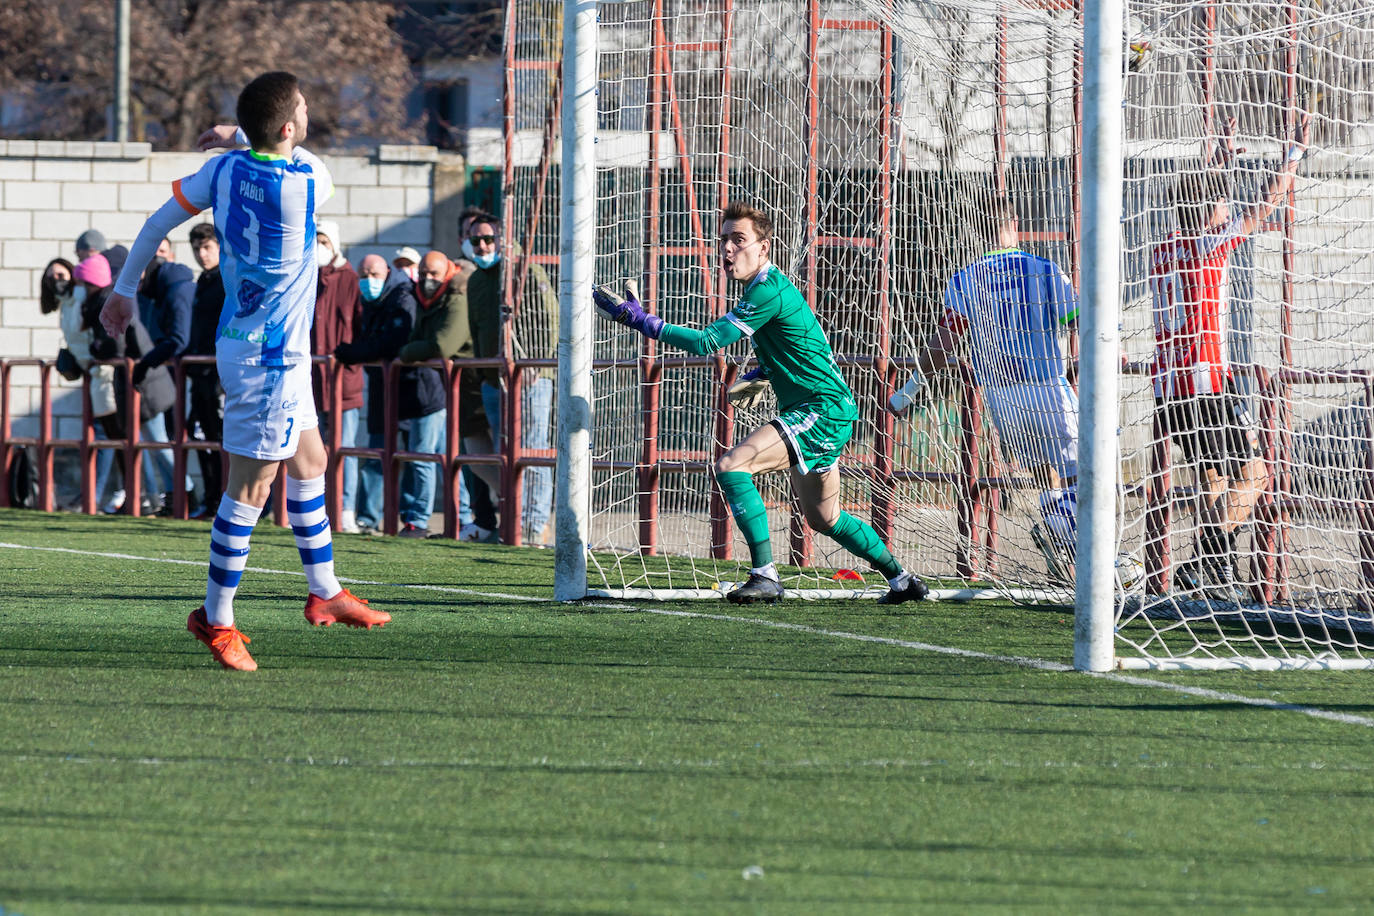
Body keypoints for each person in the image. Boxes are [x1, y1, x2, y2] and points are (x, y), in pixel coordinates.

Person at [100, 70, 389, 671]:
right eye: (303, 110)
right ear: (288, 128)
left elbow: (158, 222)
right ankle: (215, 618)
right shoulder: (307, 182)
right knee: (250, 489)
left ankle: (325, 591)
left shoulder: (223, 172)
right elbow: (299, 159)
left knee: (311, 462)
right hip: (269, 356)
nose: (308, 116)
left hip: (260, 344)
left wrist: (124, 290)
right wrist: (240, 131)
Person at [594, 201, 930, 605]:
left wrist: (643, 322)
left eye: (739, 240)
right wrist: (763, 373)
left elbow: (707, 341)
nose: (728, 249)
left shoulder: (768, 288)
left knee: (731, 466)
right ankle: (902, 580)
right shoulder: (766, 289)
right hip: (827, 409)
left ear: (763, 248)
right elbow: (800, 343)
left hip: (820, 409)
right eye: (724, 240)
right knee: (824, 518)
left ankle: (765, 575)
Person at [1151, 113, 1310, 599]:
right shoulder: (1211, 246)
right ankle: (1207, 558)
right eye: (1222, 201)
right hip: (1206, 385)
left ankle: (1211, 575)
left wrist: (1219, 158)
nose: (1228, 207)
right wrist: (1294, 154)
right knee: (1257, 470)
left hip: (1167, 390)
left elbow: (1200, 197)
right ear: (1209, 211)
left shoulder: (1163, 249)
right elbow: (1267, 205)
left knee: (1214, 478)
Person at [888, 196, 1081, 584]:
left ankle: (1058, 528)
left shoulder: (966, 277)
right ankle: (1082, 546)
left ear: (977, 232)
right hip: (1046, 387)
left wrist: (908, 389)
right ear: (1014, 225)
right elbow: (1076, 318)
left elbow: (945, 344)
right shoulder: (1042, 268)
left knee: (1044, 467)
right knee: (1090, 470)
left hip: (999, 396)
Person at [334, 254, 447, 535]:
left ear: (386, 272)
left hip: (418, 389)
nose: (367, 280)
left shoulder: (402, 297)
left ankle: (416, 520)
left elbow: (391, 341)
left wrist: (353, 352)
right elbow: (373, 339)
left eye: (373, 273)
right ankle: (369, 518)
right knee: (377, 453)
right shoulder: (375, 300)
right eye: (363, 274)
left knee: (420, 457)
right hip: (386, 387)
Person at [466, 210, 557, 545]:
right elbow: (478, 331)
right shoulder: (476, 280)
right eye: (476, 240)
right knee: (506, 453)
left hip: (530, 376)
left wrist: (537, 362)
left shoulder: (526, 270)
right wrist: (481, 373)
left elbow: (549, 317)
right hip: (493, 380)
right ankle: (514, 523)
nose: (482, 245)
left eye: (488, 239)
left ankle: (534, 527)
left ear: (502, 239)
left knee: (531, 449)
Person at [395, 250, 499, 538]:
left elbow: (442, 345)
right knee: (468, 457)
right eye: (424, 273)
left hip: (477, 386)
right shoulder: (430, 300)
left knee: (485, 456)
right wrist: (414, 348)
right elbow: (422, 339)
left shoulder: (456, 297)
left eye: (433, 273)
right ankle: (483, 520)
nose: (427, 279)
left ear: (448, 272)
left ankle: (505, 517)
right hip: (459, 391)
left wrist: (406, 352)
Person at [42, 256, 121, 511]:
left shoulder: (80, 298)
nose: (57, 281)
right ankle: (99, 494)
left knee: (112, 435)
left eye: (61, 275)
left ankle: (96, 496)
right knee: (109, 435)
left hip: (104, 372)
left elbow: (93, 333)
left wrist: (92, 358)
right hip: (91, 373)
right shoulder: (65, 304)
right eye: (51, 277)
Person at [134, 233, 197, 515]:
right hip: (163, 371)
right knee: (163, 440)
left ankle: (187, 496)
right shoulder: (155, 291)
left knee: (172, 439)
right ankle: (174, 496)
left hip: (180, 373)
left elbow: (178, 339)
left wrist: (147, 362)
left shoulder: (176, 288)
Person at [311, 220, 364, 533]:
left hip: (343, 381)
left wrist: (350, 358)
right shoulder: (305, 275)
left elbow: (358, 328)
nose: (319, 246)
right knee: (310, 451)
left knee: (345, 450)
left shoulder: (351, 279)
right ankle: (315, 510)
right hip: (311, 382)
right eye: (315, 240)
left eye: (324, 241)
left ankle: (345, 510)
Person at [186, 222, 226, 518]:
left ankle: (228, 500)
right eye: (197, 249)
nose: (202, 254)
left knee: (225, 438)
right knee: (200, 435)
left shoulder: (228, 278)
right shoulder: (203, 281)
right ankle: (211, 499)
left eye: (207, 247)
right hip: (199, 373)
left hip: (220, 373)